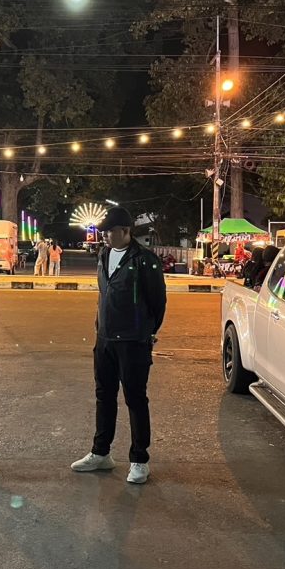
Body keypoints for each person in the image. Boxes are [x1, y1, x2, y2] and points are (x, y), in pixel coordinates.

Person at [72, 206, 167, 485]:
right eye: (103, 232)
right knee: (104, 395)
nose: (104, 236)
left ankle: (140, 460)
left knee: (135, 399)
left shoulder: (144, 259)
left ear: (126, 231)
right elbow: (104, 294)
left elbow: (157, 302)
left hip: (133, 342)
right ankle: (101, 453)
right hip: (105, 340)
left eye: (109, 231)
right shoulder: (104, 255)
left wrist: (146, 332)